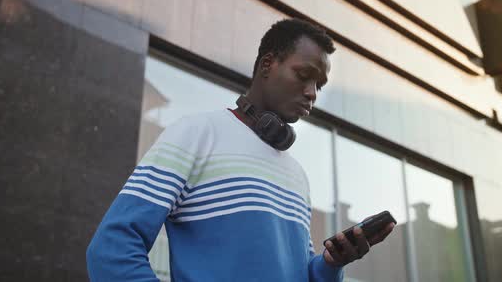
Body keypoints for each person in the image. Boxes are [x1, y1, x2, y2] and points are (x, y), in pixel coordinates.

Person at [86, 18, 395, 281]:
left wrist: (331, 264)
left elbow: (301, 274)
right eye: (304, 75)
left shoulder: (297, 175)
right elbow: (112, 248)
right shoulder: (197, 134)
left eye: (320, 85)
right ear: (267, 65)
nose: (312, 93)